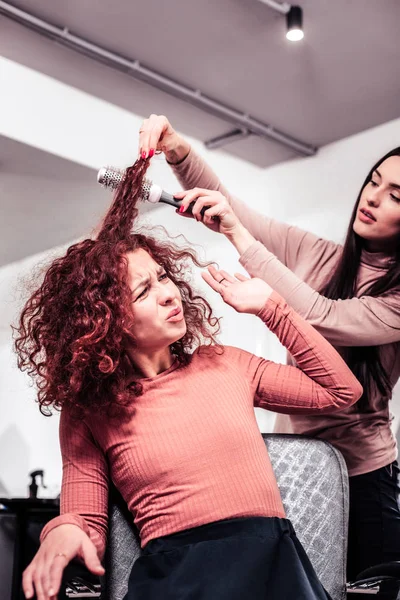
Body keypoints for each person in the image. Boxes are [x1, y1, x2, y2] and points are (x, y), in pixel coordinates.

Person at [15, 156, 362, 600]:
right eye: (143, 291)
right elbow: (85, 520)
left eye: (162, 277)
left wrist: (272, 308)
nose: (168, 294)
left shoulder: (227, 364)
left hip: (272, 568)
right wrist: (62, 532)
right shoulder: (89, 411)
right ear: (104, 323)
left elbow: (341, 391)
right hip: (176, 580)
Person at [137, 114, 400, 579]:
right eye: (374, 182)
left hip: (364, 476)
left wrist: (241, 239)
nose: (373, 199)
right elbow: (231, 210)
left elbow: (323, 318)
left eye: (395, 196)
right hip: (297, 462)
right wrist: (178, 150)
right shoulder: (318, 254)